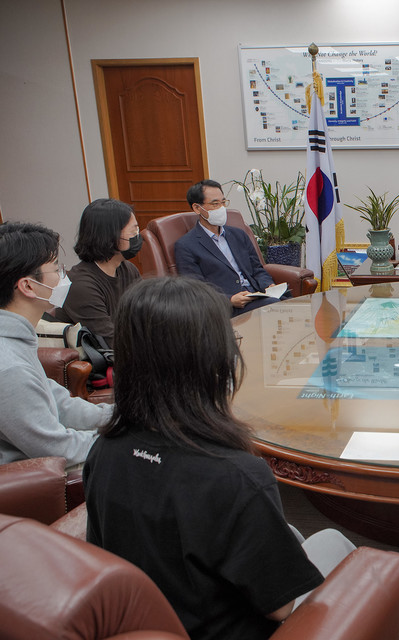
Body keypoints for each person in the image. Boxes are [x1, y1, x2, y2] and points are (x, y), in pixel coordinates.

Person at [83, 277, 355, 640]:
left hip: (146, 619)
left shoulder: (104, 450)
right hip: (227, 628)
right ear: (210, 359)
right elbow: (280, 608)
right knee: (333, 541)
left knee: (289, 533)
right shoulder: (236, 476)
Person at [0, 222, 112, 466]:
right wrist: (125, 440)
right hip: (34, 481)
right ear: (28, 286)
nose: (64, 276)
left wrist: (121, 418)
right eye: (55, 269)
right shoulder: (9, 368)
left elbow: (59, 404)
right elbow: (57, 447)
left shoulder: (16, 339)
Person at [175, 179, 286, 316]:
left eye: (223, 202)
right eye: (215, 204)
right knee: (274, 307)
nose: (221, 208)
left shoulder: (238, 234)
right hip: (228, 307)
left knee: (294, 304)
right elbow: (196, 289)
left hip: (257, 295)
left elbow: (257, 269)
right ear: (197, 208)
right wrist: (229, 299)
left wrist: (268, 285)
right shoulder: (186, 245)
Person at [54, 198, 142, 346]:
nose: (138, 236)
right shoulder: (81, 285)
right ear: (109, 236)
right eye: (133, 231)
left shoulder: (127, 269)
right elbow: (108, 340)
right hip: (99, 359)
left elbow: (144, 314)